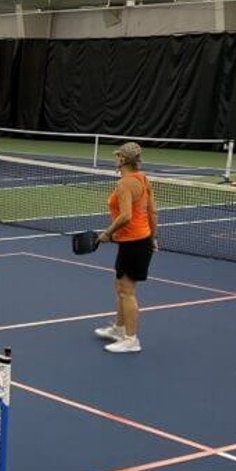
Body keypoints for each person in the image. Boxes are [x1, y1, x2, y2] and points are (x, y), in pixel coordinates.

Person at [95, 142, 159, 353]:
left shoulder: (125, 184)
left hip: (134, 242)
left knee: (127, 291)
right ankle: (119, 329)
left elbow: (126, 216)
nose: (116, 160)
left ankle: (131, 340)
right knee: (121, 287)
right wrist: (153, 237)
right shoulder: (143, 179)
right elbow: (153, 212)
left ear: (122, 160)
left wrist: (107, 233)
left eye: (117, 157)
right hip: (138, 240)